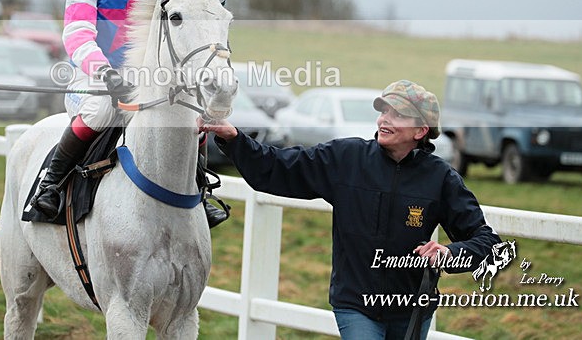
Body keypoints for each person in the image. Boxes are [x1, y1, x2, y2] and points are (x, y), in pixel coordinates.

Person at [198, 80, 501, 339]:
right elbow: (280, 168)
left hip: (412, 309)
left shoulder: (441, 178)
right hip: (356, 304)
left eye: (397, 114)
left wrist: (449, 255)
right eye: (383, 111)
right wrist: (235, 139)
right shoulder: (347, 159)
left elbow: (488, 243)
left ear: (421, 130)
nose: (384, 119)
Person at [31, 0, 229, 228]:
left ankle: (201, 189)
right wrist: (108, 76)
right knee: (103, 109)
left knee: (188, 112)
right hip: (95, 76)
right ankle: (51, 184)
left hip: (149, 78)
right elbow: (77, 35)